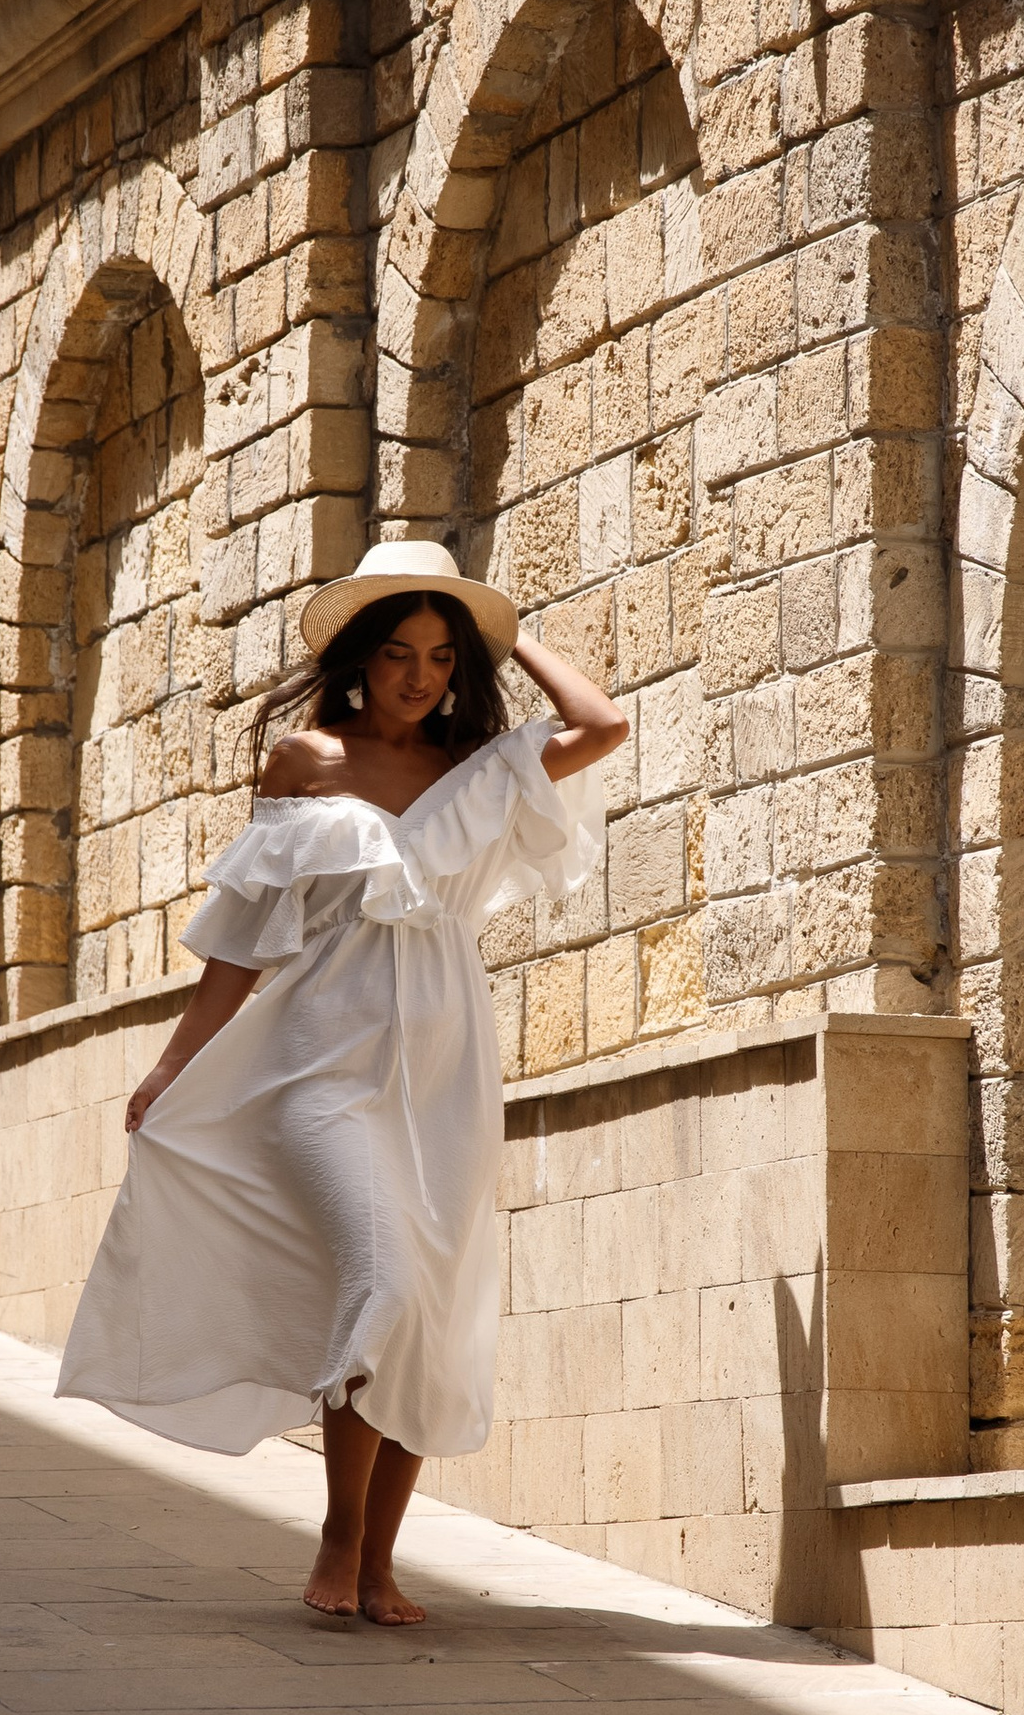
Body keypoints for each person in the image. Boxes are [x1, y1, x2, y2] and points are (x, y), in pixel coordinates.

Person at [54, 540, 628, 1622]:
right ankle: (336, 1528)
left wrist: (510, 634)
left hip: (447, 1072)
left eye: (444, 657)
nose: (421, 676)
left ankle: (379, 1562)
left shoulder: (482, 769)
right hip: (316, 1062)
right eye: (401, 652)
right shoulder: (301, 760)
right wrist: (175, 1062)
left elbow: (601, 727)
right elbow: (245, 936)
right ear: (360, 659)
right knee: (386, 1284)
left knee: (428, 1311)